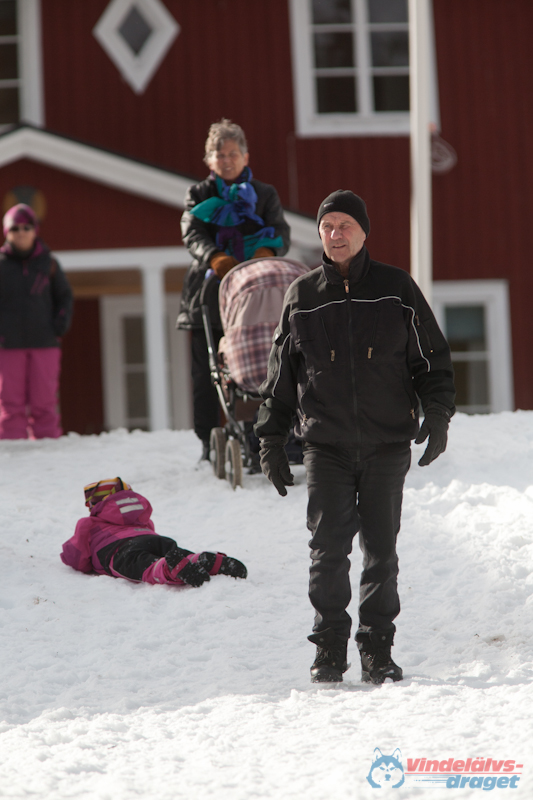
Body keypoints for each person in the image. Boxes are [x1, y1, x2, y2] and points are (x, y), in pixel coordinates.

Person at [254, 190, 455, 684]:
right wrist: (271, 441)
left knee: (381, 552)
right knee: (328, 551)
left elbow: (432, 360)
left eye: (345, 224)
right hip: (327, 445)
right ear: (319, 234)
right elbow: (280, 378)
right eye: (328, 226)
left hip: (387, 443)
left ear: (364, 232)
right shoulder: (301, 296)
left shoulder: (397, 289)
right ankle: (328, 651)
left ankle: (377, 650)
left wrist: (438, 415)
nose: (336, 233)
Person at [176, 119, 291, 460]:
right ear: (208, 160)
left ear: (245, 156)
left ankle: (270, 427)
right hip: (211, 291)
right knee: (208, 372)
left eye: (232, 153)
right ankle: (207, 440)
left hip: (257, 292)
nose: (226, 160)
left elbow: (280, 231)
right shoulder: (199, 195)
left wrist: (264, 254)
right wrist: (216, 257)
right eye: (218, 154)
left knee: (264, 361)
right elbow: (192, 231)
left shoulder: (265, 194)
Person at [61, 477, 248, 586]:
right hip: (154, 539)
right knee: (173, 552)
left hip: (118, 549)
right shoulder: (142, 519)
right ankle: (199, 559)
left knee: (144, 564)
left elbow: (77, 557)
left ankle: (168, 569)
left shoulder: (90, 523)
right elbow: (148, 534)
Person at [0, 203, 73, 439]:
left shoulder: (49, 263)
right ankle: (13, 446)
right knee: (10, 402)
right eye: (15, 228)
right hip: (7, 345)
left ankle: (48, 446)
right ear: (6, 232)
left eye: (26, 227)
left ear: (35, 230)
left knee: (44, 401)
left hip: (44, 342)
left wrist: (58, 326)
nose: (21, 232)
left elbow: (64, 297)